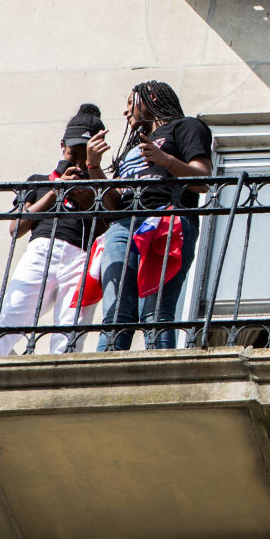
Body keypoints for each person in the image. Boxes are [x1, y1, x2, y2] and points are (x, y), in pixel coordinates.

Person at [89, 81, 213, 350]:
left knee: (154, 312)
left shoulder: (186, 127)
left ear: (151, 97)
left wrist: (165, 160)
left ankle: (160, 374)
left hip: (165, 220)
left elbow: (203, 180)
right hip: (123, 225)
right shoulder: (132, 147)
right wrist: (94, 167)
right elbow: (113, 203)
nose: (125, 112)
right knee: (116, 315)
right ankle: (103, 378)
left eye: (130, 102)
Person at [0, 104, 107, 355]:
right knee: (9, 316)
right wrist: (56, 191)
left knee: (71, 333)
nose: (79, 162)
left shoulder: (101, 185)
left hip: (82, 257)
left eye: (86, 156)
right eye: (74, 154)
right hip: (42, 249)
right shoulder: (39, 180)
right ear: (62, 146)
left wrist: (87, 197)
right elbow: (16, 228)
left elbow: (107, 227)